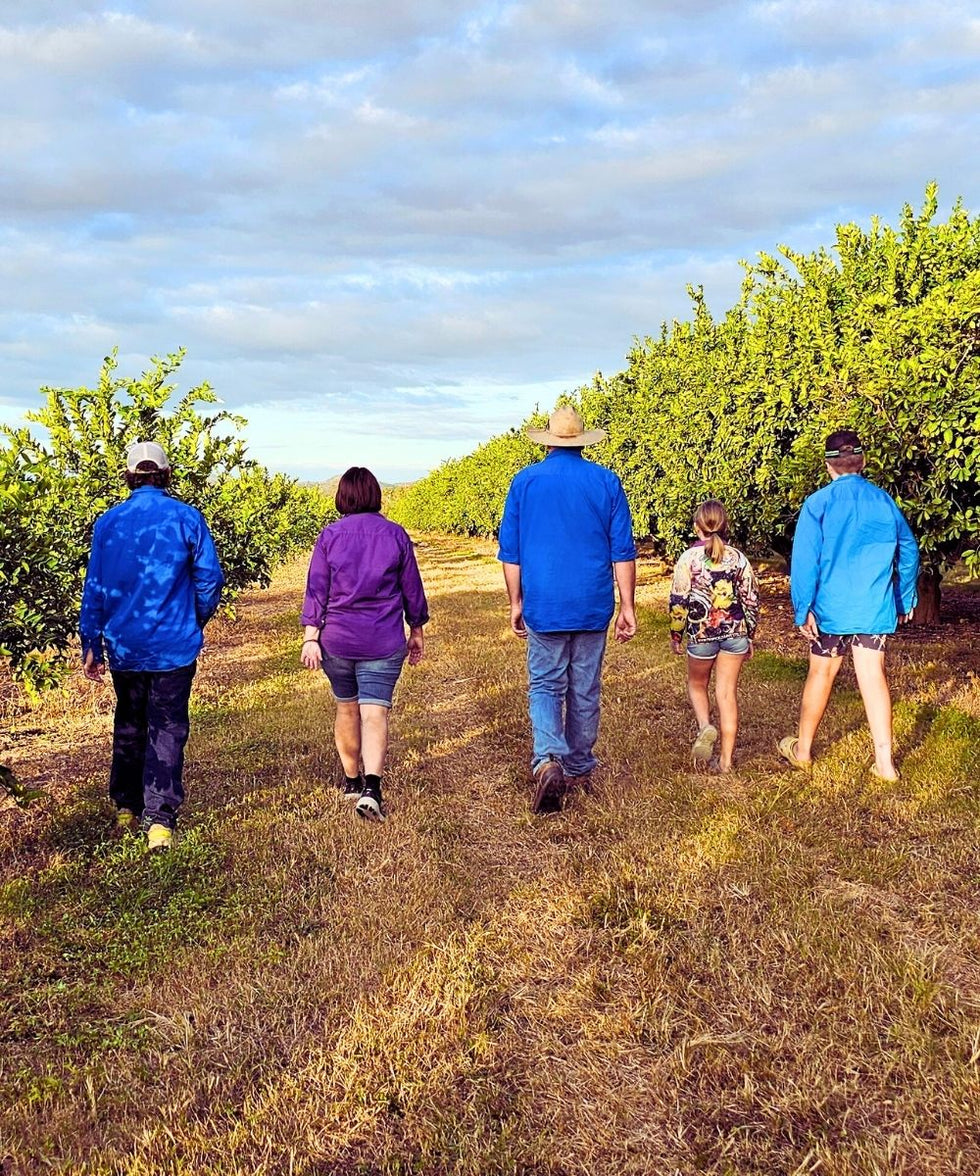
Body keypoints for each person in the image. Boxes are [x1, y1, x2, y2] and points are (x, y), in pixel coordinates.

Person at [80, 441, 224, 852]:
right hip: (173, 646)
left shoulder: (108, 524)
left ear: (129, 476)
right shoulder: (187, 518)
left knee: (129, 721)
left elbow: (96, 589)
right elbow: (209, 580)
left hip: (126, 644)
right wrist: (193, 617)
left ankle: (126, 807)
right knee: (167, 726)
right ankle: (159, 820)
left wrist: (91, 641)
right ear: (165, 474)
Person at [497, 405, 638, 814]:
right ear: (580, 441)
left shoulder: (524, 483)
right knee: (585, 686)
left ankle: (548, 760)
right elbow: (622, 552)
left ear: (549, 441)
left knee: (545, 684)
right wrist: (627, 605)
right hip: (592, 602)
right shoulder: (606, 482)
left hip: (545, 601)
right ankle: (579, 765)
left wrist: (516, 601)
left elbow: (511, 554)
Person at [779, 430, 919, 781]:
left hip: (830, 609)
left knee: (821, 673)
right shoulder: (883, 500)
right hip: (873, 607)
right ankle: (885, 765)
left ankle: (804, 751)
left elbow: (805, 561)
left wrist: (803, 607)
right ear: (864, 462)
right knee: (873, 677)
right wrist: (905, 596)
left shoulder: (818, 503)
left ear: (828, 465)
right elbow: (909, 550)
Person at [300, 467, 428, 822]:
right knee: (375, 713)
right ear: (376, 495)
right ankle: (373, 788)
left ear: (342, 497)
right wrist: (416, 629)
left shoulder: (329, 537)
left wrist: (311, 636)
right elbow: (411, 589)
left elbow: (317, 590)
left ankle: (351, 781)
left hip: (337, 641)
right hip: (383, 640)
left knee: (346, 708)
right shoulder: (396, 535)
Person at [669, 499, 759, 772]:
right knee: (726, 693)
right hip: (735, 635)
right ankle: (726, 761)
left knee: (697, 685)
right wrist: (750, 634)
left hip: (702, 636)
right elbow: (751, 600)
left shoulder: (688, 560)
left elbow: (678, 600)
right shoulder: (738, 559)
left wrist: (676, 635)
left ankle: (706, 726)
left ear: (697, 527)